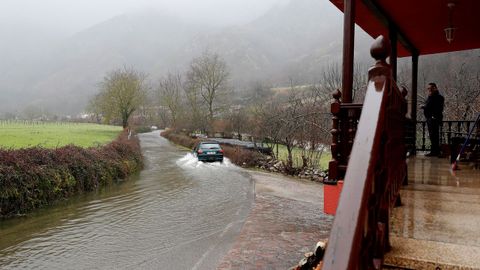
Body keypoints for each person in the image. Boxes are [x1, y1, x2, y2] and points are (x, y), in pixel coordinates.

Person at [422, 83, 444, 156]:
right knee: (433, 135)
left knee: (434, 135)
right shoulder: (432, 97)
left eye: (430, 88)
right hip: (430, 118)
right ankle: (434, 151)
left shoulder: (437, 97)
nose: (429, 90)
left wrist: (424, 107)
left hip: (433, 119)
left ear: (434, 88)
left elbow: (432, 107)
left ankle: (435, 152)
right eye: (428, 88)